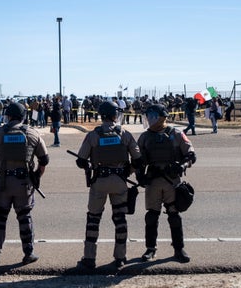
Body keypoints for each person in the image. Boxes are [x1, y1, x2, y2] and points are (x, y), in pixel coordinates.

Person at [74, 100, 143, 269]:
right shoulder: (124, 133)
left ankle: (89, 258)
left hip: (99, 181)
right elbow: (138, 159)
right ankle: (120, 257)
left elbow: (80, 160)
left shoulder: (93, 135)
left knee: (93, 219)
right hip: (120, 182)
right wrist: (128, 171)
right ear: (114, 115)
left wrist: (89, 166)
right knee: (120, 219)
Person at [0, 102, 49, 265]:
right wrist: (37, 175)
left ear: (8, 115)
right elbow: (44, 160)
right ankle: (28, 253)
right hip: (24, 183)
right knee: (24, 217)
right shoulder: (32, 133)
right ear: (24, 116)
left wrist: (1, 163)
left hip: (2, 183)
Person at [137, 104, 197, 263]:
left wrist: (182, 165)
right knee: (151, 216)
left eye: (152, 115)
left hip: (172, 180)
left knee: (174, 215)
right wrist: (139, 176)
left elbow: (191, 154)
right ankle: (150, 249)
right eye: (148, 115)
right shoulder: (144, 137)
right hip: (153, 180)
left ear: (162, 117)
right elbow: (138, 160)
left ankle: (179, 249)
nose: (149, 119)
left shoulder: (176, 133)